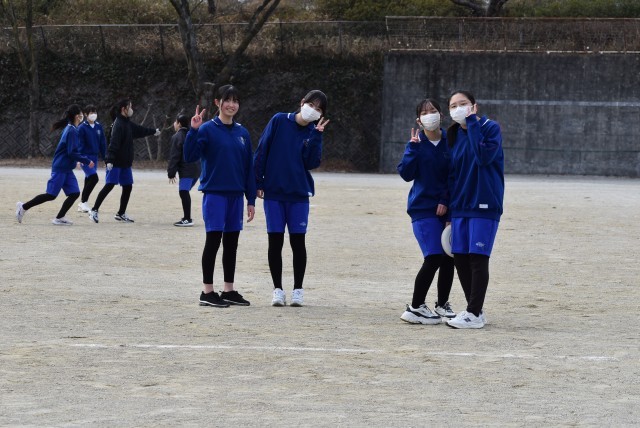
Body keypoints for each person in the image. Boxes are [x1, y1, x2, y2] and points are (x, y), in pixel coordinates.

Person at [254, 90, 330, 307]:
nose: (313, 110)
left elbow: (311, 162)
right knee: (275, 241)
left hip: (298, 195)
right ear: (302, 102)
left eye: (318, 109)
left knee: (298, 243)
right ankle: (277, 290)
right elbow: (262, 150)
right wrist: (258, 182)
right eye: (311, 105)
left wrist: (317, 137)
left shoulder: (313, 132)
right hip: (274, 193)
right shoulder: (279, 120)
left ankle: (298, 290)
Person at [184, 85, 256, 308]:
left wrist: (251, 199)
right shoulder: (207, 129)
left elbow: (249, 168)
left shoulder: (242, 133)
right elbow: (189, 156)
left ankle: (228, 290)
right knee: (213, 241)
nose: (231, 105)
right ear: (217, 102)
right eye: (227, 100)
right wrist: (193, 130)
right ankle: (207, 292)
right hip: (215, 194)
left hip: (236, 195)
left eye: (235, 100)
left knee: (231, 244)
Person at [444, 90, 504, 329]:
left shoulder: (490, 128)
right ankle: (475, 310)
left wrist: (471, 123)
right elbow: (452, 175)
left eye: (464, 104)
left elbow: (482, 157)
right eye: (453, 106)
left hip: (484, 204)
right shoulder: (454, 135)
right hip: (460, 206)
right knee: (460, 257)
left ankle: (473, 312)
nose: (458, 108)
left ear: (474, 107)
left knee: (478, 258)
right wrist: (450, 211)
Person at [397, 98, 456, 325]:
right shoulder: (416, 143)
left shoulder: (452, 141)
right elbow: (406, 174)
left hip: (448, 207)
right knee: (433, 256)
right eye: (424, 112)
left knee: (449, 256)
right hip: (422, 208)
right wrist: (412, 149)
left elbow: (455, 175)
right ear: (418, 120)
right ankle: (416, 306)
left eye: (433, 110)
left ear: (441, 115)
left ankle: (442, 304)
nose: (429, 115)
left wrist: (446, 202)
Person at [16, 105, 95, 225]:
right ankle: (23, 207)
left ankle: (60, 217)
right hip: (61, 168)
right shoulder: (71, 130)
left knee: (74, 193)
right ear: (77, 116)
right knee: (51, 195)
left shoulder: (72, 128)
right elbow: (72, 152)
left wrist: (77, 161)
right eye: (81, 114)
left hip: (66, 168)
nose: (82, 116)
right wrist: (87, 161)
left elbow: (71, 151)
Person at [88, 99, 160, 223]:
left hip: (125, 162)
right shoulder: (118, 124)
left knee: (128, 186)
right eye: (130, 107)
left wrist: (153, 132)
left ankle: (121, 213)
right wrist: (109, 160)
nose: (131, 109)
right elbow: (113, 143)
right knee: (109, 185)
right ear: (123, 109)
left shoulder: (127, 123)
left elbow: (139, 130)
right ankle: (94, 210)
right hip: (115, 162)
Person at [167, 113, 201, 227]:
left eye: (175, 122)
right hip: (197, 169)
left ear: (179, 124)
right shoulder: (193, 134)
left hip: (187, 169)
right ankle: (187, 217)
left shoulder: (177, 136)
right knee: (185, 191)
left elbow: (174, 156)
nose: (174, 124)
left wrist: (171, 172)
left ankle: (187, 219)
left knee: (183, 192)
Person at [76, 104, 107, 213]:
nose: (94, 114)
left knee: (89, 179)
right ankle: (83, 202)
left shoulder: (98, 126)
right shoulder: (82, 127)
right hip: (85, 157)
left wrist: (106, 158)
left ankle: (83, 203)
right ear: (86, 114)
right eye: (91, 113)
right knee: (94, 178)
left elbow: (102, 143)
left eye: (95, 112)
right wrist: (79, 158)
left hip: (94, 157)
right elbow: (79, 144)